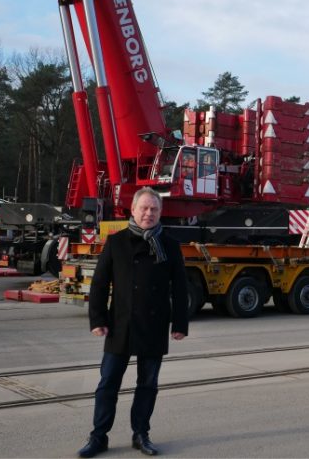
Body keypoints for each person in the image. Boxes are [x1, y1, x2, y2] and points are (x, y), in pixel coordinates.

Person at [78, 187, 189, 458]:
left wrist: (179, 324)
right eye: (144, 208)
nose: (149, 213)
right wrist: (97, 319)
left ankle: (141, 434)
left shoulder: (170, 245)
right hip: (120, 325)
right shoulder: (116, 242)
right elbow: (100, 285)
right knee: (108, 384)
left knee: (148, 385)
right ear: (134, 210)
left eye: (154, 209)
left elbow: (181, 288)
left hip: (154, 326)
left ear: (160, 213)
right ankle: (98, 436)